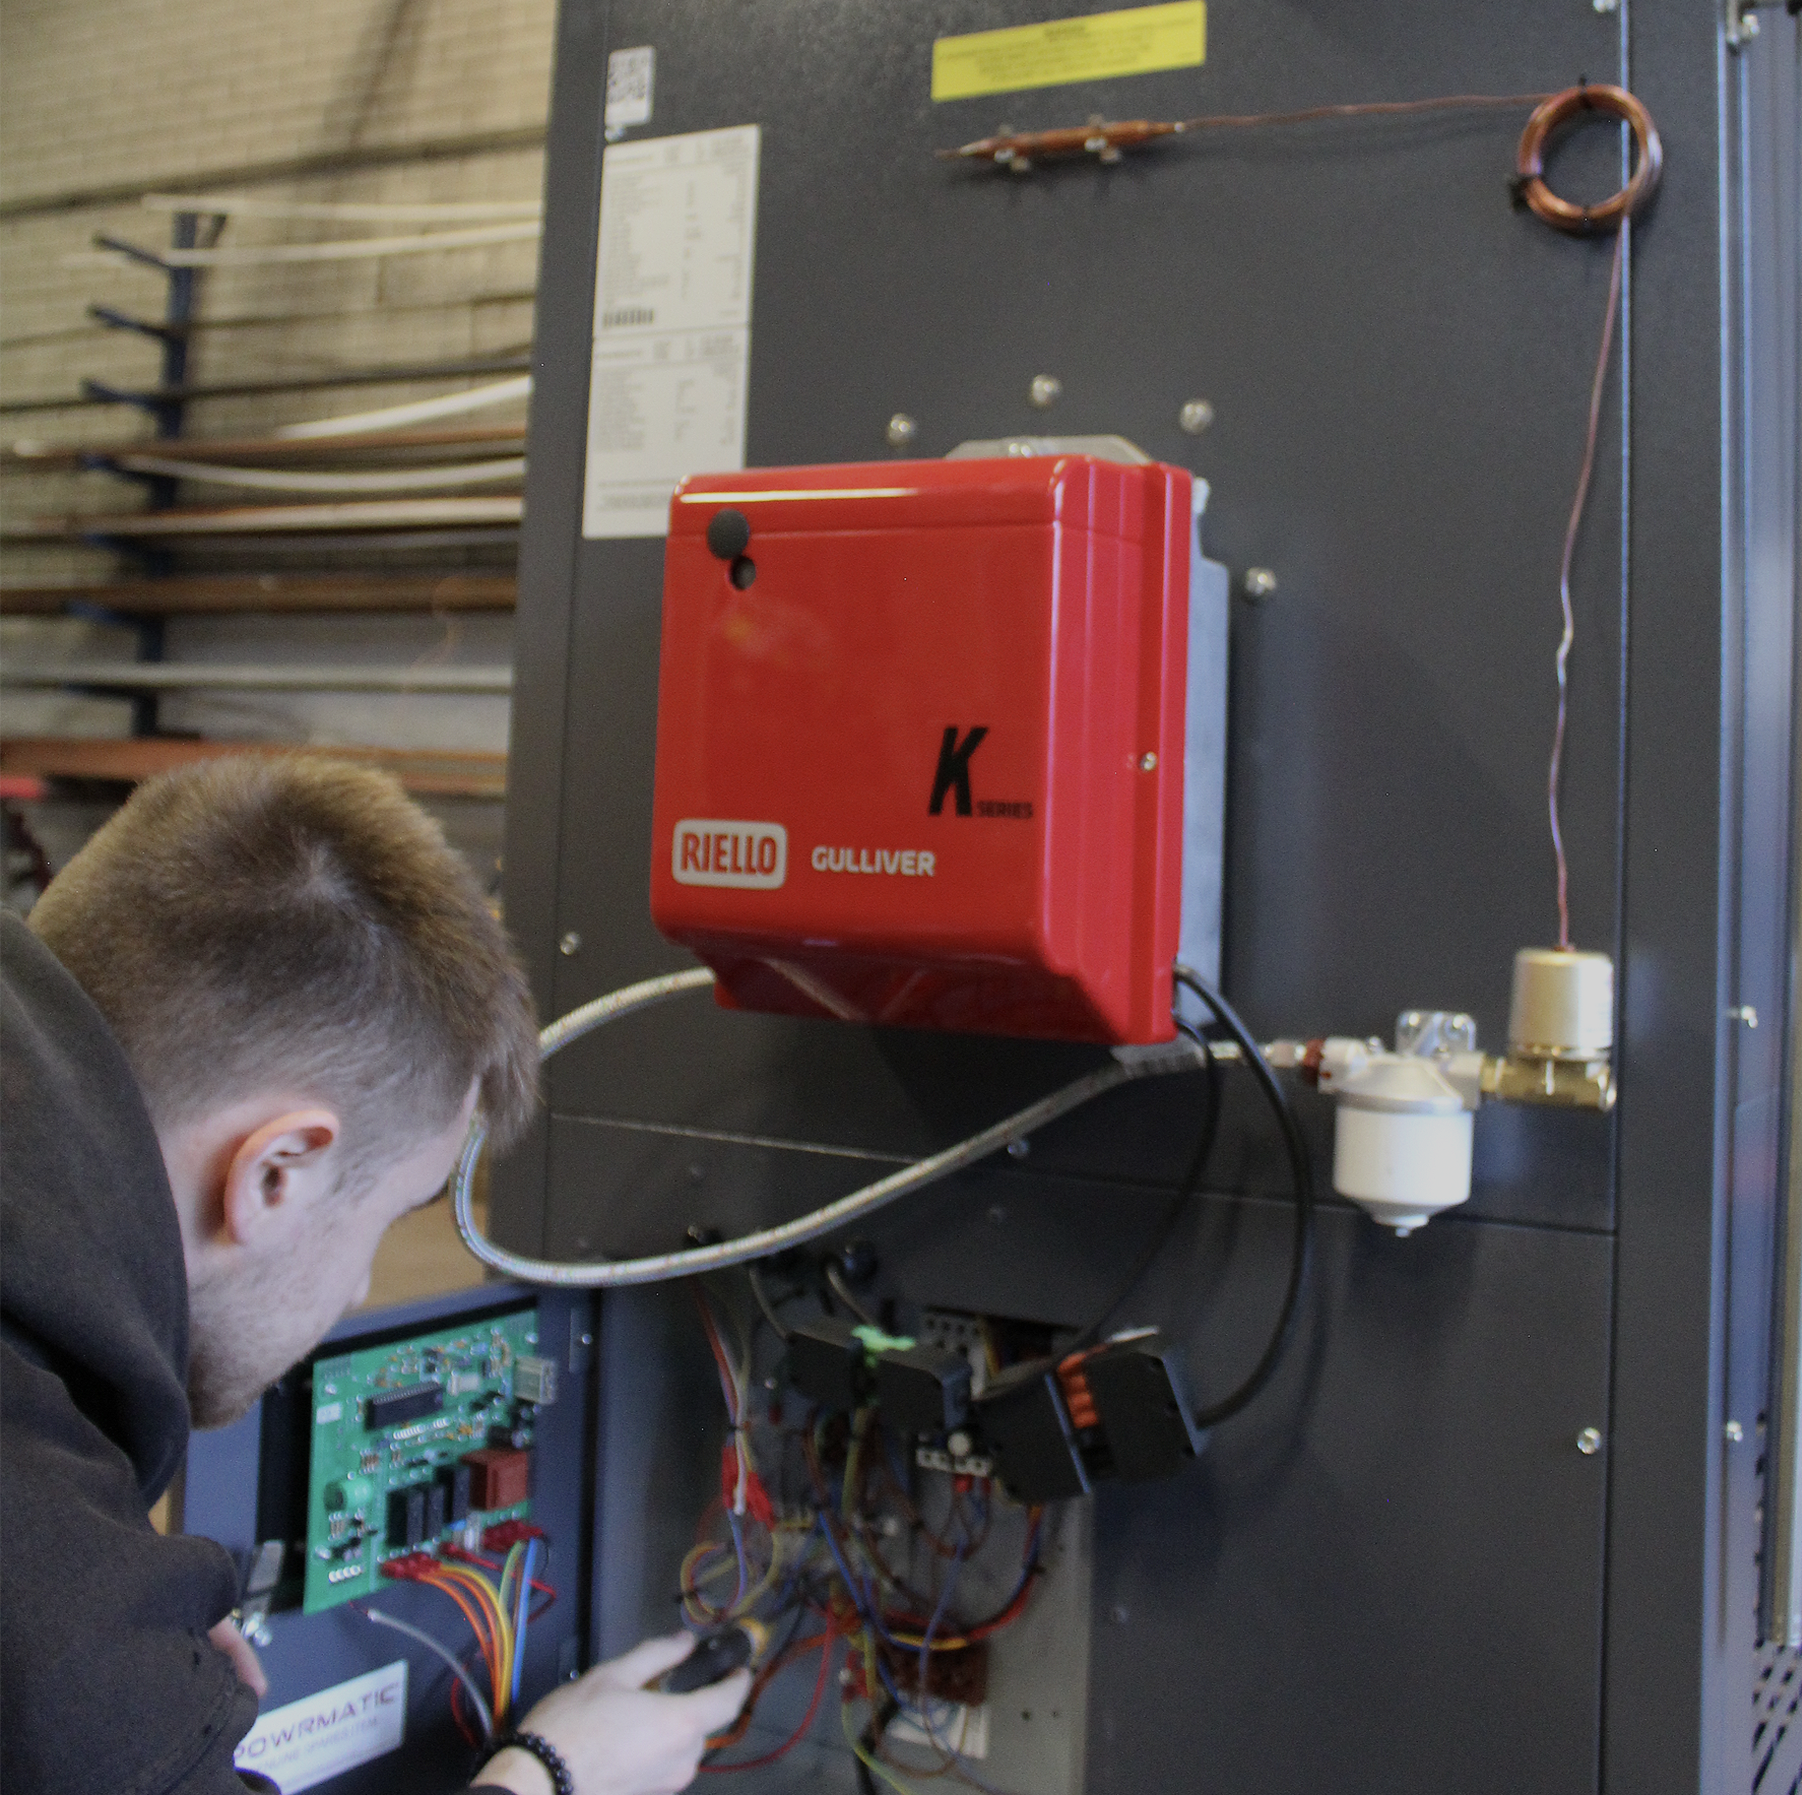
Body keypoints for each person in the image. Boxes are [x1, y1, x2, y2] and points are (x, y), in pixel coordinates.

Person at [0, 755, 749, 1795]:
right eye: (387, 1216)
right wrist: (549, 1777)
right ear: (275, 1171)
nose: (360, 1290)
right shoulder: (51, 1616)